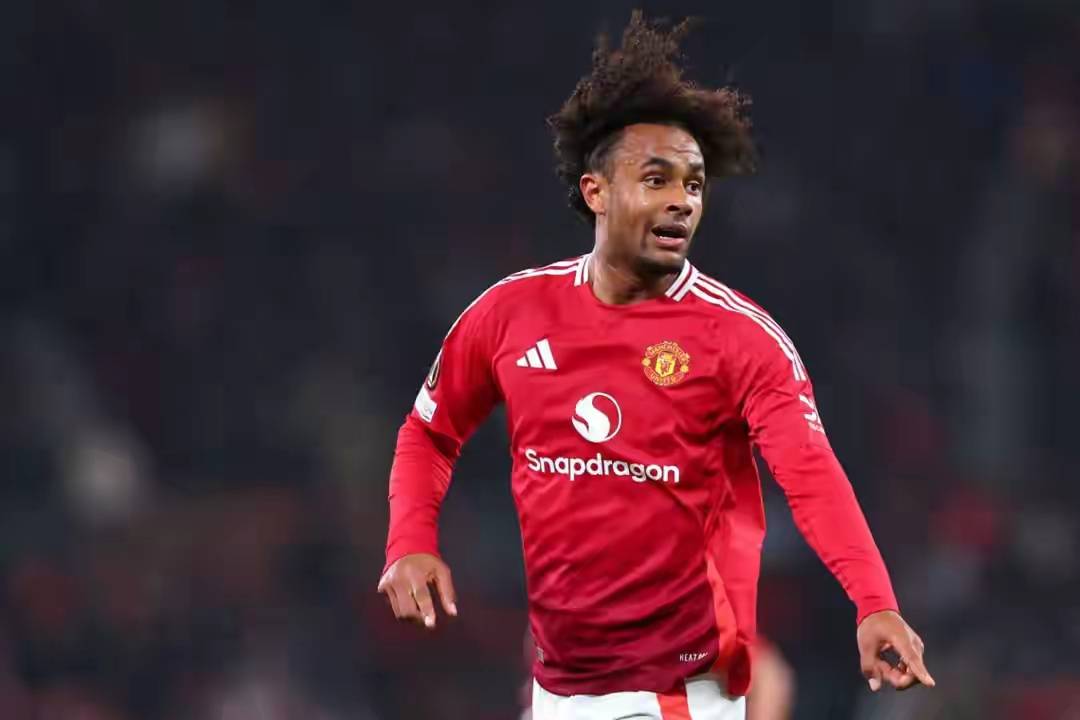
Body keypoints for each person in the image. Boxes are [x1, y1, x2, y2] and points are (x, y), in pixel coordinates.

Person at [378, 11, 934, 719]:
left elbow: (811, 474)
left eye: (694, 185)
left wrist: (874, 602)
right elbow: (429, 432)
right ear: (596, 193)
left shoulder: (740, 339)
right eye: (656, 179)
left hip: (679, 692)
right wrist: (409, 541)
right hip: (557, 689)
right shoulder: (510, 314)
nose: (682, 201)